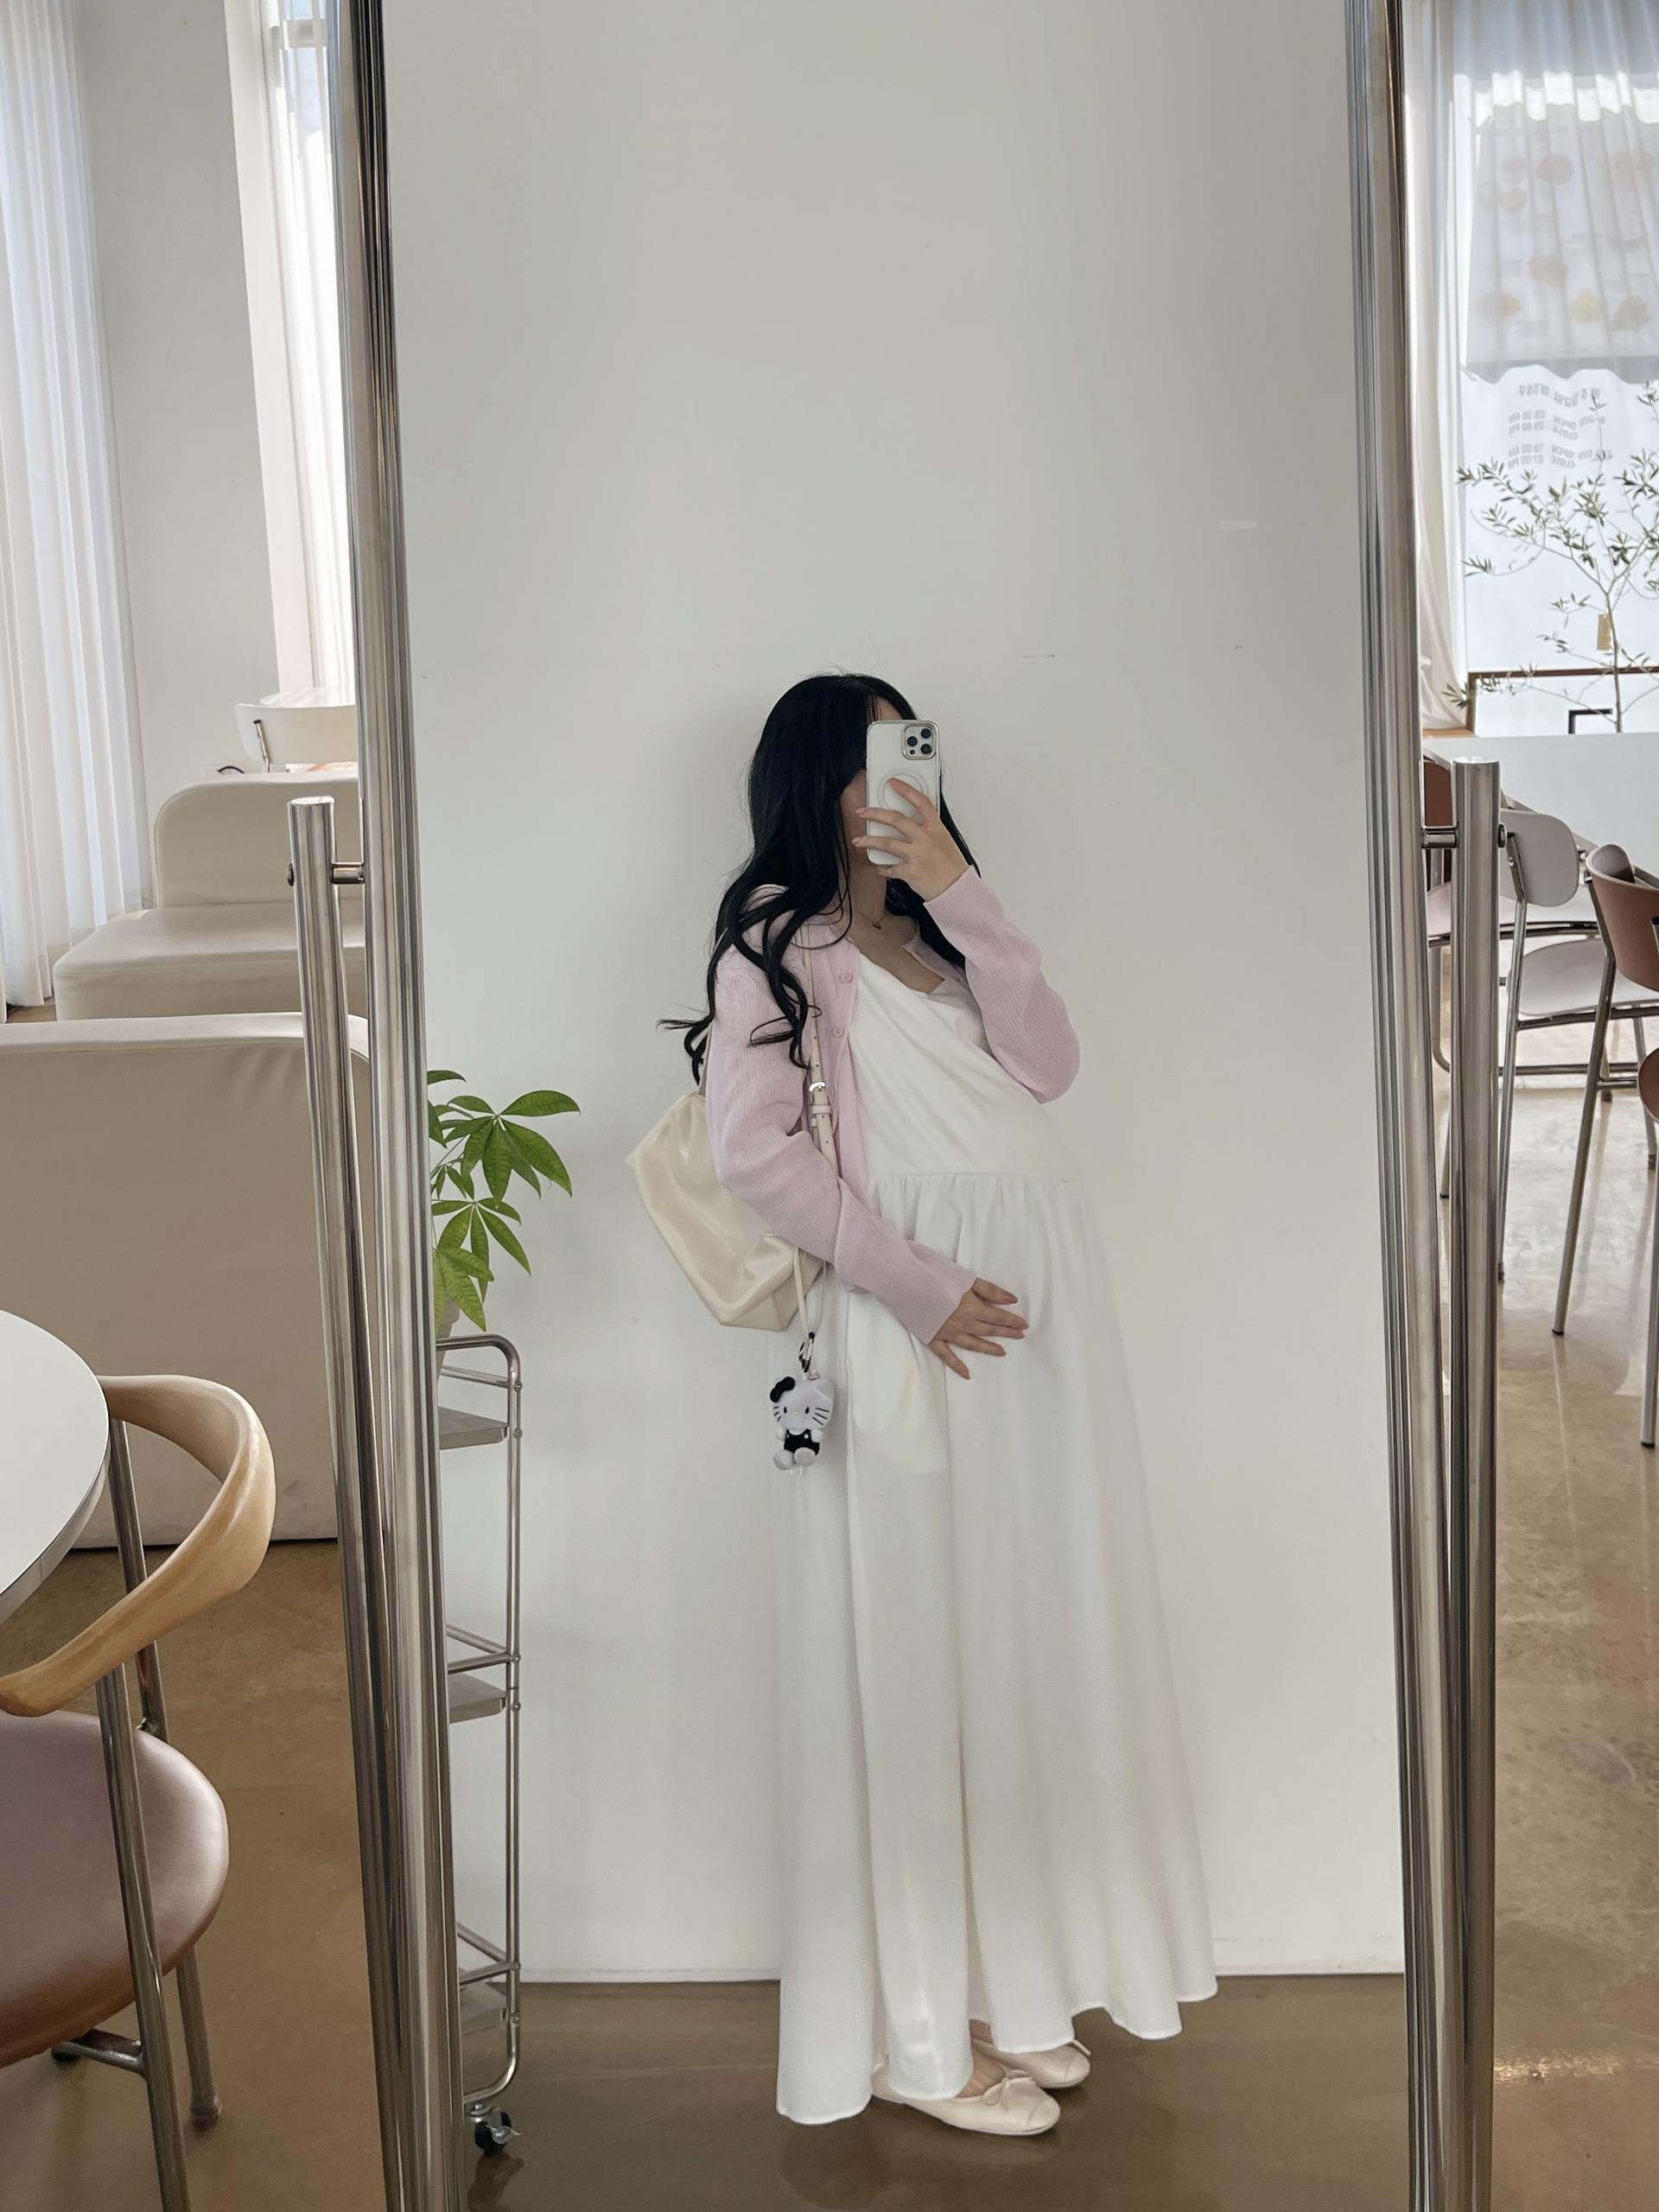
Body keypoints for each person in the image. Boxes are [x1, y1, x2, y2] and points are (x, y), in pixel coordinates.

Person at [667, 671, 1215, 2136]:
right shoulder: (779, 946)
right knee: (907, 1663)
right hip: (912, 1343)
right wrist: (916, 1286)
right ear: (810, 781)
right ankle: (912, 2037)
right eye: (863, 761)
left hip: (1025, 1356)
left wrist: (963, 890)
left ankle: (990, 1993)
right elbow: (754, 1154)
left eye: (907, 752)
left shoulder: (939, 938)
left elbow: (1051, 1066)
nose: (890, 783)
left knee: (999, 1652)